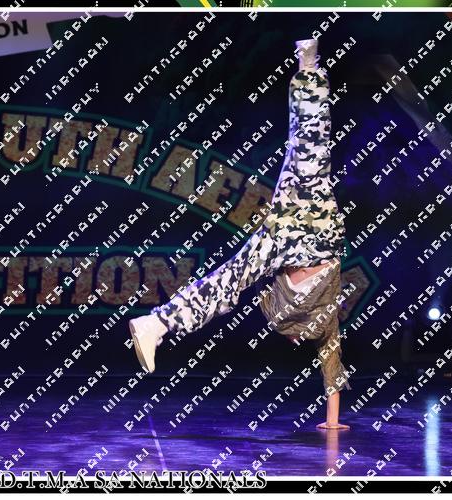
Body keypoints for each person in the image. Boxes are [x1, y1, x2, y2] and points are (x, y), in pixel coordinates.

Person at [129, 38, 351, 430]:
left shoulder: (305, 319)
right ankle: (308, 67)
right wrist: (332, 423)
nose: (295, 341)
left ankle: (157, 324)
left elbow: (331, 370)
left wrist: (333, 422)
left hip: (299, 237)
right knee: (309, 148)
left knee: (309, 149)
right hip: (312, 237)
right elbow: (330, 370)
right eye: (295, 338)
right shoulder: (316, 323)